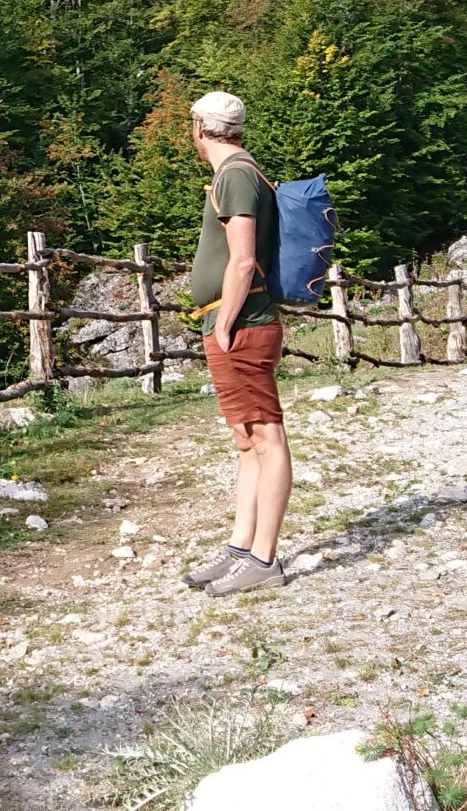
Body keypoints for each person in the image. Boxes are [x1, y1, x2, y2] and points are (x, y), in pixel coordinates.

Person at [176, 90, 292, 595]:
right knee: (247, 440)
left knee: (266, 437)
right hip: (232, 324)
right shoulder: (235, 174)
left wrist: (224, 322)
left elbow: (243, 259)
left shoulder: (237, 175)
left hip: (242, 325)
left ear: (199, 128)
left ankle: (264, 559)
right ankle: (240, 550)